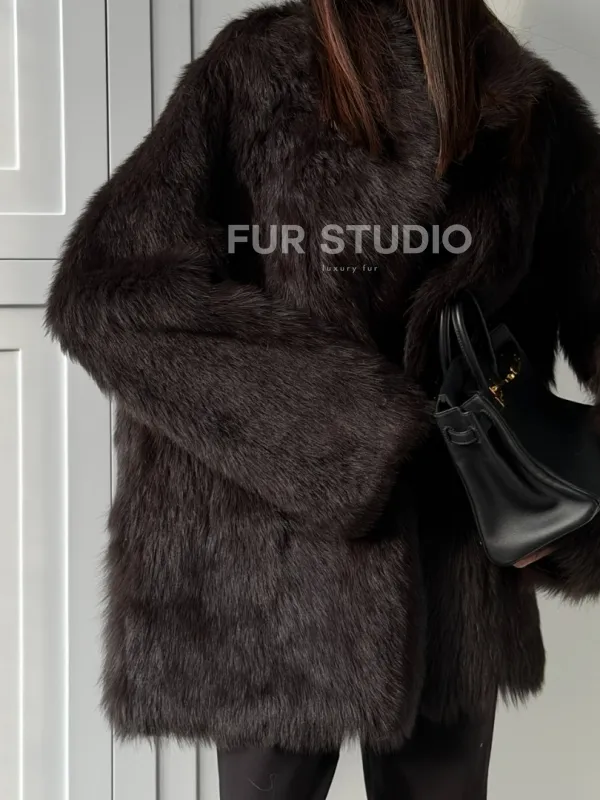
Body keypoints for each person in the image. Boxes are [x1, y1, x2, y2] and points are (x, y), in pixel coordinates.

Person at [45, 0, 600, 797]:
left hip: (451, 573)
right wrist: (338, 435)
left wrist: (569, 511)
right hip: (266, 574)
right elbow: (107, 298)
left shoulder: (531, 114)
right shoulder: (251, 74)